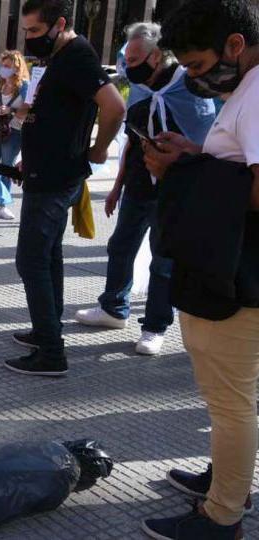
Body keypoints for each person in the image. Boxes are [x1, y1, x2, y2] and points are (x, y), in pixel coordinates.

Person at [138, 1, 259, 538]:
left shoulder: (257, 96)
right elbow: (234, 169)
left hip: (237, 273)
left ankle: (223, 515)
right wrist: (193, 153)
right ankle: (224, 480)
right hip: (233, 264)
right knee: (234, 396)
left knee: (231, 402)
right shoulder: (246, 92)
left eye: (195, 64)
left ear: (235, 45)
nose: (191, 76)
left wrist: (179, 170)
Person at [74, 22, 216, 356]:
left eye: (135, 57)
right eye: (127, 57)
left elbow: (209, 141)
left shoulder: (191, 86)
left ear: (156, 56)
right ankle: (113, 307)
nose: (128, 65)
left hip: (176, 187)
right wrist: (116, 186)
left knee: (163, 260)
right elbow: (132, 142)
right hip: (138, 183)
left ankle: (155, 326)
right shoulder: (137, 89)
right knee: (120, 245)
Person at [4, 0, 126, 377]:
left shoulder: (76, 54)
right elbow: (59, 114)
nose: (28, 39)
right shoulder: (62, 56)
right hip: (47, 172)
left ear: (59, 24)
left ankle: (52, 353)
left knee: (31, 260)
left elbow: (115, 106)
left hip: (56, 179)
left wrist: (101, 148)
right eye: (25, 31)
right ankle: (47, 330)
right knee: (48, 255)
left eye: (35, 31)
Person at [0, 50, 30, 220]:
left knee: (7, 168)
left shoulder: (25, 86)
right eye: (3, 66)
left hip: (13, 131)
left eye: (8, 66)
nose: (4, 69)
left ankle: (4, 204)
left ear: (17, 67)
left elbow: (30, 110)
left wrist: (11, 110)